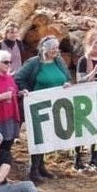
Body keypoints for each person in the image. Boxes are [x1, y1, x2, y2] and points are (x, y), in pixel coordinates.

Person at [14, 36, 71, 183]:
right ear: (43, 48)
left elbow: (67, 77)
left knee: (47, 136)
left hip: (55, 104)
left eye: (57, 48)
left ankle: (41, 166)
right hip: (38, 105)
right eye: (52, 48)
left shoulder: (59, 61)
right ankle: (33, 169)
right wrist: (26, 90)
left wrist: (66, 84)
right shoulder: (34, 63)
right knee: (38, 137)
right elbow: (18, 78)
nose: (55, 51)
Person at [75, 30, 97, 170]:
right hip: (86, 100)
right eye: (96, 42)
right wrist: (93, 71)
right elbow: (80, 81)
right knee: (84, 130)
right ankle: (78, 159)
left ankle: (95, 158)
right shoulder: (83, 60)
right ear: (90, 43)